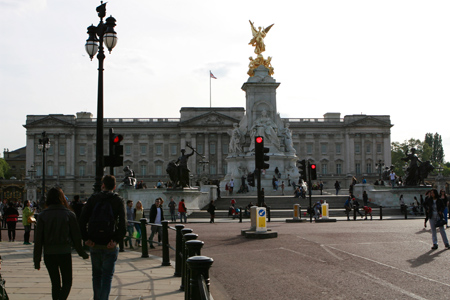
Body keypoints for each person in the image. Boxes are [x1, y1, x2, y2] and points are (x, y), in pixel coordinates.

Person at [34, 187, 89, 300]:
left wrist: (37, 260)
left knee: (55, 284)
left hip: (49, 253)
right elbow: (76, 238)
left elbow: (38, 240)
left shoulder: (42, 215)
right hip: (64, 252)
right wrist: (82, 253)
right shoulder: (69, 214)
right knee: (67, 283)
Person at [79, 175, 127, 300]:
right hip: (110, 243)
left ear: (102, 185)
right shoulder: (118, 200)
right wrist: (116, 240)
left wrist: (86, 238)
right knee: (107, 277)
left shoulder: (93, 198)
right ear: (115, 187)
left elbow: (82, 220)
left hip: (94, 242)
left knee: (96, 275)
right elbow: (123, 224)